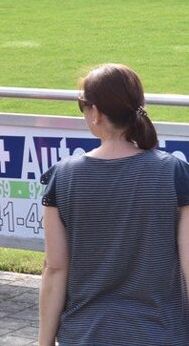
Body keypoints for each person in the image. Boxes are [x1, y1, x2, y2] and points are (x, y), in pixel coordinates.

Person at [38, 63, 189, 346]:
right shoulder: (175, 173)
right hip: (161, 334)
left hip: (83, 335)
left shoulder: (62, 176)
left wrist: (44, 343)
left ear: (95, 112)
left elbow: (55, 269)